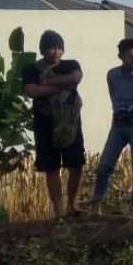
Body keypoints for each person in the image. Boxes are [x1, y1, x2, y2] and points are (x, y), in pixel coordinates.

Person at [89, 38, 133, 218]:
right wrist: (120, 110)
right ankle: (96, 204)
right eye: (130, 56)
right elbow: (114, 95)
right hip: (119, 124)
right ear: (121, 56)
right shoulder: (112, 75)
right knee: (104, 165)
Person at [21, 30, 86, 220]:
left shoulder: (71, 64)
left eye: (59, 48)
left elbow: (75, 78)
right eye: (51, 48)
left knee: (76, 165)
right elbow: (32, 90)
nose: (56, 52)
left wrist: (47, 83)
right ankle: (58, 211)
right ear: (43, 50)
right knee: (51, 168)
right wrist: (61, 85)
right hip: (45, 124)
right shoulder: (31, 69)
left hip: (70, 123)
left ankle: (72, 206)